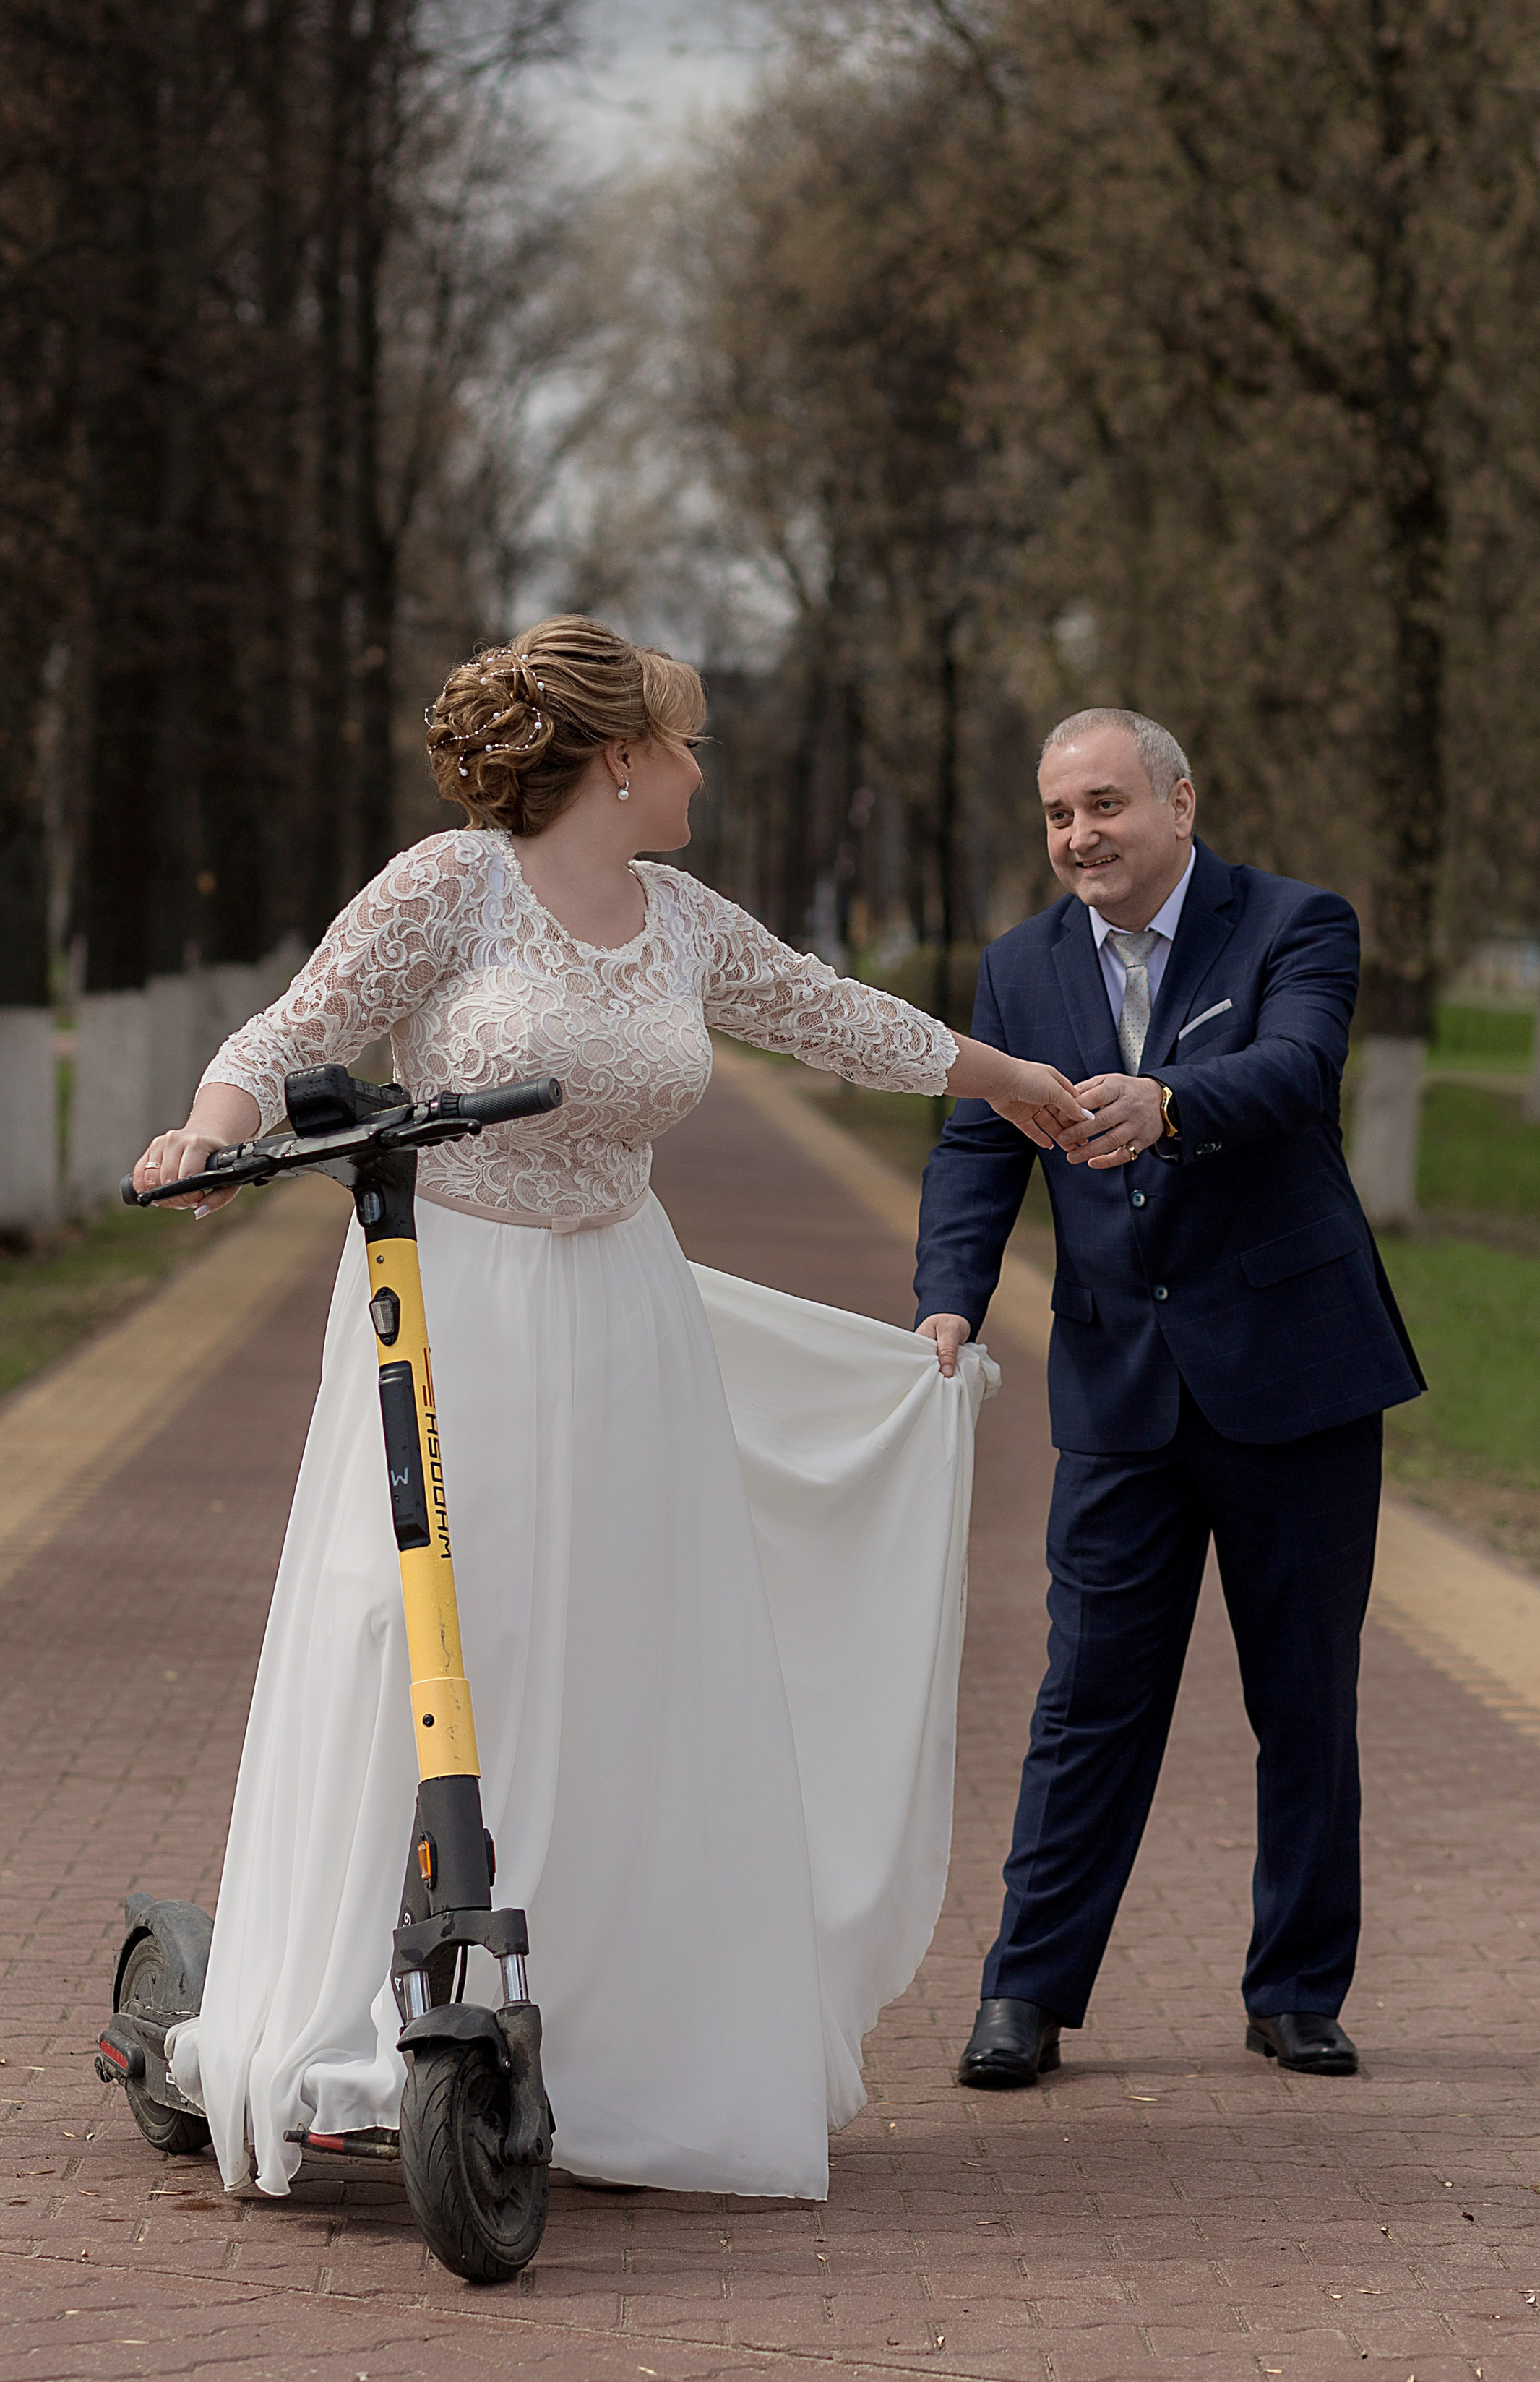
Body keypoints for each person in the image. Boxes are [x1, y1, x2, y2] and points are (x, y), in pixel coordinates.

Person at [132, 615, 1085, 2201]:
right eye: (686, 740)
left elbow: (833, 1014)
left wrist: (1014, 1082)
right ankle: (371, 2020)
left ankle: (600, 2035)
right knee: (430, 1639)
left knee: (621, 1653)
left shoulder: (683, 919)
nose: (701, 767)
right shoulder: (448, 885)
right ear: (618, 759)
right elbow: (287, 1033)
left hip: (628, 1311)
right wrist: (203, 1133)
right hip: (452, 1300)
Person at [916, 707, 1424, 2088]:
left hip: (1298, 1376)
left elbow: (1300, 1068)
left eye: (1106, 805)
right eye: (1058, 814)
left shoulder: (1294, 923)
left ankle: (1298, 1989)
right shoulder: (1019, 965)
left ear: (1181, 805)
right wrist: (949, 1291)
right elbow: (975, 1142)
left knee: (1305, 1697)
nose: (1080, 836)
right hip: (1121, 1392)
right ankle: (1028, 1994)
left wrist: (1170, 1102)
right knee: (1088, 1701)